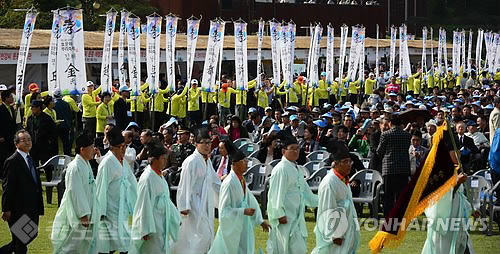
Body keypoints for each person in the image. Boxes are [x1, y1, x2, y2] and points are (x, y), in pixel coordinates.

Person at [208, 143, 271, 254]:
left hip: (242, 226)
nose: (247, 164)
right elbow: (224, 211)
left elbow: (251, 201)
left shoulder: (241, 180)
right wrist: (243, 211)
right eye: (244, 161)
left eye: (247, 161)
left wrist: (260, 221)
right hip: (232, 229)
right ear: (235, 164)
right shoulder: (228, 183)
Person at [171, 128, 221, 254]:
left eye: (209, 143)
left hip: (205, 202)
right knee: (200, 235)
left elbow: (215, 181)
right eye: (203, 142)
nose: (207, 146)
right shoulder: (191, 161)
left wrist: (226, 194)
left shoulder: (207, 161)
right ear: (196, 144)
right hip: (193, 203)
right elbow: (185, 184)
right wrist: (184, 205)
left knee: (205, 234)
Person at [266, 134, 318, 254]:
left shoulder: (298, 169)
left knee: (298, 248)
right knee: (282, 248)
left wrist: (325, 200)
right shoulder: (281, 169)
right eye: (292, 149)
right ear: (284, 151)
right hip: (284, 218)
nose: (295, 151)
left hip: (297, 217)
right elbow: (275, 194)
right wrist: (279, 214)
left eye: (297, 148)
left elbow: (307, 194)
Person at [51, 134, 99, 254]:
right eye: (91, 147)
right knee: (71, 246)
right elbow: (75, 191)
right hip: (77, 212)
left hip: (87, 210)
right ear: (82, 149)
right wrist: (83, 214)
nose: (94, 150)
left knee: (83, 245)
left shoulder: (85, 164)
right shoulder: (74, 167)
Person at [130, 141, 181, 254]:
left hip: (161, 220)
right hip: (151, 223)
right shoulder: (147, 178)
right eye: (163, 158)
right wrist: (145, 229)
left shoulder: (159, 175)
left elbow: (166, 199)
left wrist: (175, 216)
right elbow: (143, 204)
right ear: (154, 159)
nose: (165, 161)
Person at [95, 127, 138, 254]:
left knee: (123, 242)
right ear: (113, 148)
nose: (124, 150)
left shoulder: (123, 162)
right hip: (109, 210)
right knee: (108, 245)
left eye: (125, 146)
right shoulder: (107, 163)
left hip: (122, 208)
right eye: (121, 147)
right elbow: (101, 188)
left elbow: (132, 183)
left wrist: (138, 203)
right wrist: (101, 211)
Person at [1, 130, 44, 253]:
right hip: (18, 209)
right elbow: (7, 186)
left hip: (32, 206)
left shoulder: (30, 159)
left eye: (29, 139)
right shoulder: (12, 161)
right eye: (23, 140)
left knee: (30, 234)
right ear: (16, 144)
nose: (27, 142)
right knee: (20, 243)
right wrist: (6, 208)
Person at [311, 148, 360, 254]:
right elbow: (327, 209)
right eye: (345, 162)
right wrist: (335, 234)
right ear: (335, 164)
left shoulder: (343, 180)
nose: (349, 165)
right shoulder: (329, 183)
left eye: (350, 161)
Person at [376, 114, 412, 217]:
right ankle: (401, 216)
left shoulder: (385, 134)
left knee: (389, 196)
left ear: (390, 123)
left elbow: (379, 151)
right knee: (401, 196)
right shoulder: (407, 135)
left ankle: (389, 217)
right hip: (403, 169)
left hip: (389, 169)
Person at [0, 90, 16, 178]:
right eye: (11, 97)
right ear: (6, 98)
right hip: (3, 138)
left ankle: (9, 173)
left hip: (11, 137)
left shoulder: (11, 108)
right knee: (3, 156)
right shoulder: (1, 109)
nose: (12, 98)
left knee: (11, 155)